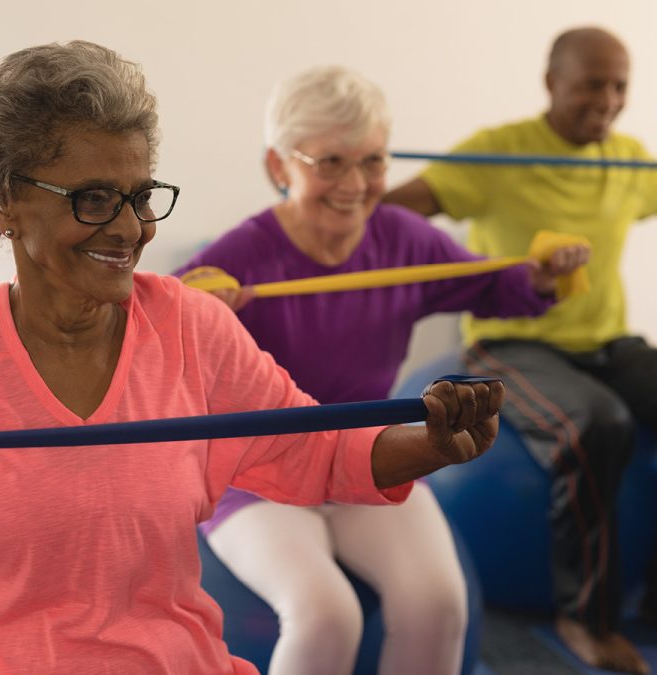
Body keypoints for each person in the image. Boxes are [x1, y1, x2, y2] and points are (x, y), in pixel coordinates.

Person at [0, 41, 505, 675]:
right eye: (92, 199)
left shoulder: (188, 327)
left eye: (140, 195)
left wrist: (436, 442)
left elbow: (316, 451)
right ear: (1, 202)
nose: (130, 228)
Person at [175, 65, 588, 675]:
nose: (356, 183)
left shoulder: (404, 239)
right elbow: (159, 349)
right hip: (258, 477)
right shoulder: (239, 259)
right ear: (277, 167)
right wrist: (194, 315)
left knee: (439, 603)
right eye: (330, 162)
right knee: (325, 614)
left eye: (372, 162)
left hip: (371, 457)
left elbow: (497, 285)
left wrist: (545, 274)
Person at [384, 26, 657, 675]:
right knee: (596, 422)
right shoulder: (497, 153)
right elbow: (394, 213)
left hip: (605, 342)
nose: (609, 99)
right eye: (593, 83)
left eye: (620, 85)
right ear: (552, 82)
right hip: (512, 340)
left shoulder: (626, 160)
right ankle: (585, 619)